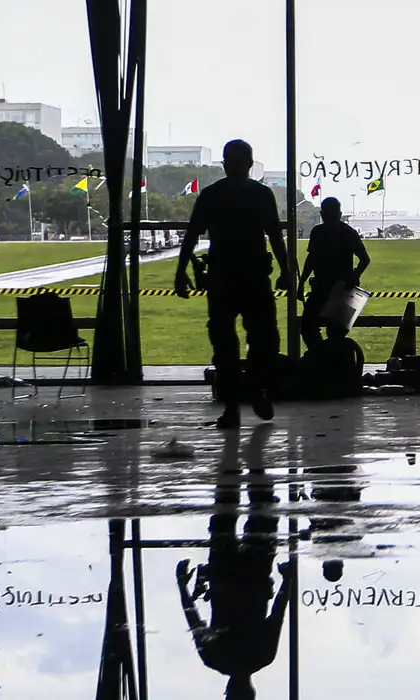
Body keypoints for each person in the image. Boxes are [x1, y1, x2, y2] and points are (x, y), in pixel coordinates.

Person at [175, 139, 290, 429]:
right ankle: (255, 388)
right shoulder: (261, 195)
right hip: (253, 277)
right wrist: (287, 270)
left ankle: (232, 408)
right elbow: (275, 235)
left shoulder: (212, 196)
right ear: (251, 164)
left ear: (225, 164)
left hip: (223, 278)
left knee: (225, 346)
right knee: (264, 341)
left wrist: (181, 271)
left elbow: (192, 235)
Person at [177, 425, 293, 700]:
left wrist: (288, 579)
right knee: (225, 509)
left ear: (252, 691)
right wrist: (182, 586)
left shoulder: (263, 657)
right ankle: (232, 454)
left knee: (263, 510)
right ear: (228, 692)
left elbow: (277, 613)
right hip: (224, 575)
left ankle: (254, 460)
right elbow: (193, 619)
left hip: (254, 573)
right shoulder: (215, 660)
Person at [297, 197, 370, 353]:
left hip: (324, 288)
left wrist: (302, 281)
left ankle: (320, 357)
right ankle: (329, 360)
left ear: (322, 214)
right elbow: (364, 259)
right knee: (334, 334)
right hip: (341, 289)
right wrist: (354, 276)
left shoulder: (318, 232)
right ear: (340, 213)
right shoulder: (348, 233)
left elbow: (311, 259)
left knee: (309, 327)